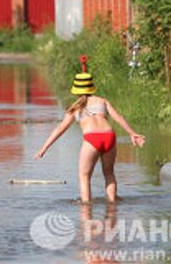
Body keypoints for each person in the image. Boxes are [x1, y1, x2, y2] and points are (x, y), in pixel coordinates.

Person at [34, 72, 145, 203]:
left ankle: (86, 209)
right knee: (109, 174)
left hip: (92, 139)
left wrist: (44, 148)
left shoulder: (74, 108)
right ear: (92, 87)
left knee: (84, 177)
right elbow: (119, 117)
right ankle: (112, 206)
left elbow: (60, 129)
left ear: (75, 90)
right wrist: (132, 133)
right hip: (109, 136)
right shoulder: (102, 101)